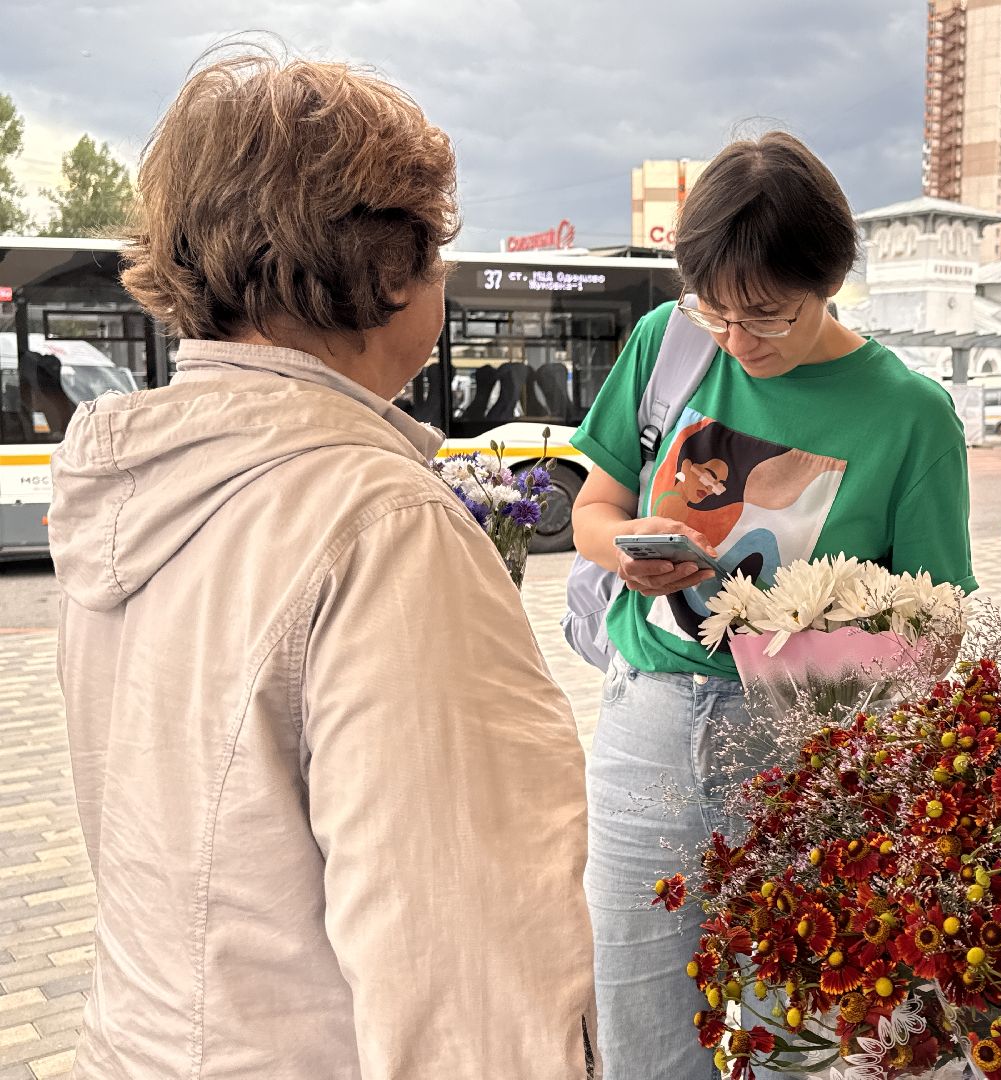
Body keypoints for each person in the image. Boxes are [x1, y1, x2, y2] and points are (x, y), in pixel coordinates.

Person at [48, 52, 596, 1079]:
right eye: (436, 252)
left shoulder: (125, 487)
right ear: (389, 269)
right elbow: (467, 975)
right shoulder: (382, 524)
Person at [570, 130, 979, 1078]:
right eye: (717, 315)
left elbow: (941, 624)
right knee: (639, 1023)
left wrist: (821, 629)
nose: (739, 343)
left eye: (767, 317)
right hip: (650, 724)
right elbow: (593, 505)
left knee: (791, 1033)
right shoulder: (664, 342)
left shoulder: (909, 415)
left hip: (804, 746)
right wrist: (625, 554)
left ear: (830, 282)